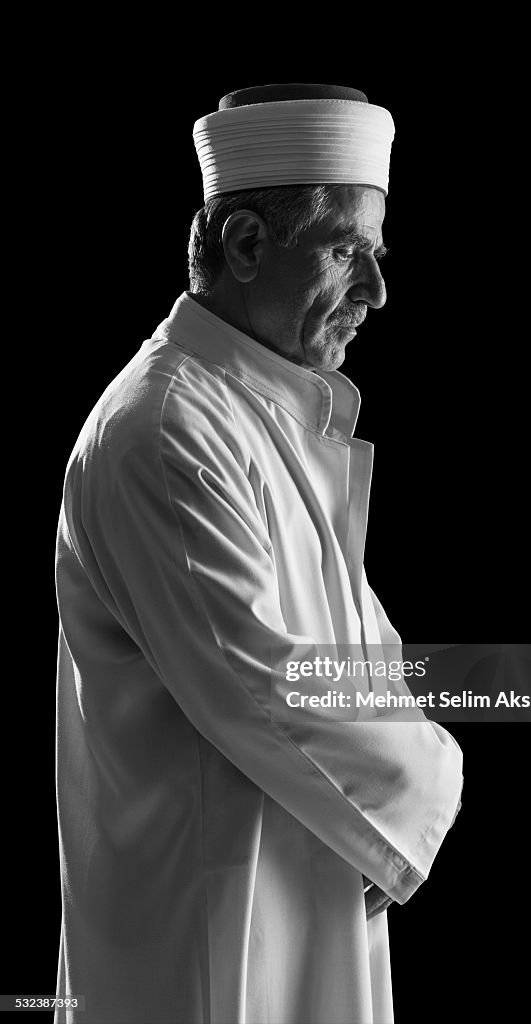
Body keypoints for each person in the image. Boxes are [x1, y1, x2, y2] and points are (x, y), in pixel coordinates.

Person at [54, 83, 464, 1024]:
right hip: (206, 925)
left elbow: (362, 650)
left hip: (304, 878)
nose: (376, 293)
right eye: (343, 253)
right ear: (244, 246)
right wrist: (429, 784)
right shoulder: (164, 428)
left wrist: (382, 808)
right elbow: (269, 686)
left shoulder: (254, 411)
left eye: (377, 256)